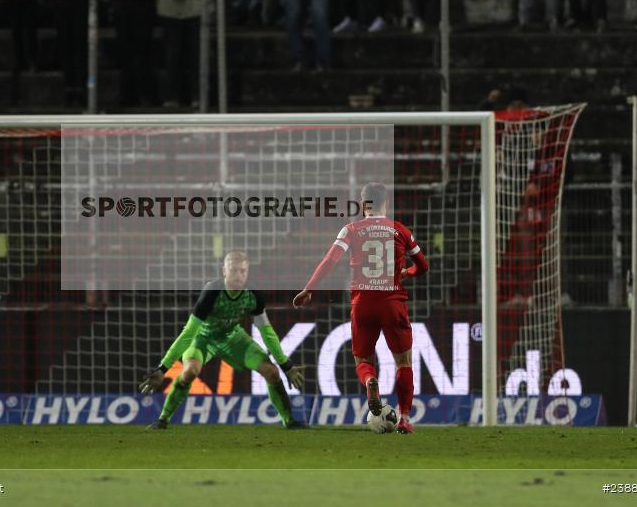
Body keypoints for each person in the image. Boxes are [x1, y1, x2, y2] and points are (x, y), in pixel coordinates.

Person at [293, 183, 429, 434]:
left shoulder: (351, 230)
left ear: (363, 204)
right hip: (392, 303)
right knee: (403, 362)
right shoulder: (399, 230)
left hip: (363, 304)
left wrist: (309, 288)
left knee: (363, 360)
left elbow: (330, 260)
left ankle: (370, 381)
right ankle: (405, 418)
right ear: (385, 203)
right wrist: (407, 272)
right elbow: (423, 265)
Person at [140, 251, 307, 429]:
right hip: (203, 338)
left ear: (247, 272)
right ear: (224, 271)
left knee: (272, 372)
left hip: (232, 338)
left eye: (242, 271)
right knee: (189, 372)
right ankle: (162, 419)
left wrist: (285, 365)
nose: (238, 275)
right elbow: (189, 333)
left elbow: (267, 333)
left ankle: (289, 421)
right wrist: (163, 368)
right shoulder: (212, 293)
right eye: (234, 270)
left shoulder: (253, 296)